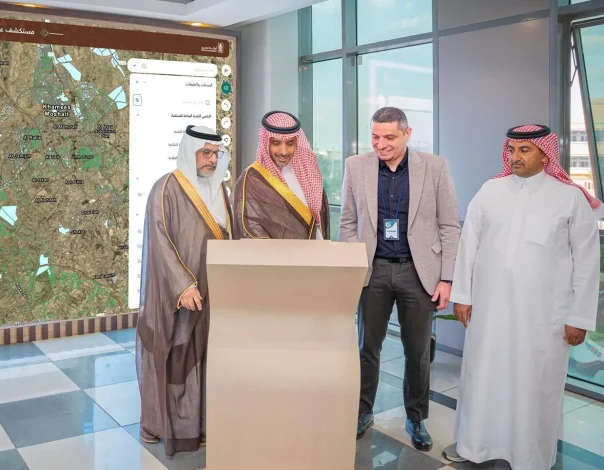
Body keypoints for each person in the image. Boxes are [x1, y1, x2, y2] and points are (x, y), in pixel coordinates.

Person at [443, 125, 600, 469]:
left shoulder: (569, 198)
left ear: (545, 155)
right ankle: (475, 445)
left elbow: (587, 261)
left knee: (535, 384)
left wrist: (579, 317)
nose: (515, 157)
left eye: (525, 150)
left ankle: (529, 456)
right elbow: (469, 245)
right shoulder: (490, 190)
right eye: (512, 150)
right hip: (490, 311)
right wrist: (463, 296)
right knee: (483, 378)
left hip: (544, 316)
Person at [339, 107, 461, 450]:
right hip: (373, 270)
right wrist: (352, 267)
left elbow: (449, 225)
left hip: (418, 272)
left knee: (417, 352)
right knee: (367, 348)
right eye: (375, 137)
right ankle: (363, 411)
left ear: (408, 134)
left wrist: (447, 278)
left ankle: (416, 417)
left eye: (389, 137)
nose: (381, 144)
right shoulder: (355, 166)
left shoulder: (434, 167)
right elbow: (348, 222)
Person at [135, 125, 233, 456]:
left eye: (215, 154)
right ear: (190, 152)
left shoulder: (220, 191)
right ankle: (154, 424)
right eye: (205, 153)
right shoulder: (165, 188)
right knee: (171, 358)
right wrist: (184, 285)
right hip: (176, 296)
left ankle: (200, 426)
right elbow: (160, 241)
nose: (211, 160)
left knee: (203, 359)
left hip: (213, 293)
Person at [233, 111, 330, 240]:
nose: (284, 152)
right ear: (266, 142)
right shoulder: (251, 180)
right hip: (275, 253)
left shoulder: (308, 174)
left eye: (290, 143)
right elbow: (250, 230)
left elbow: (319, 222)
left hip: (315, 251)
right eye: (276, 143)